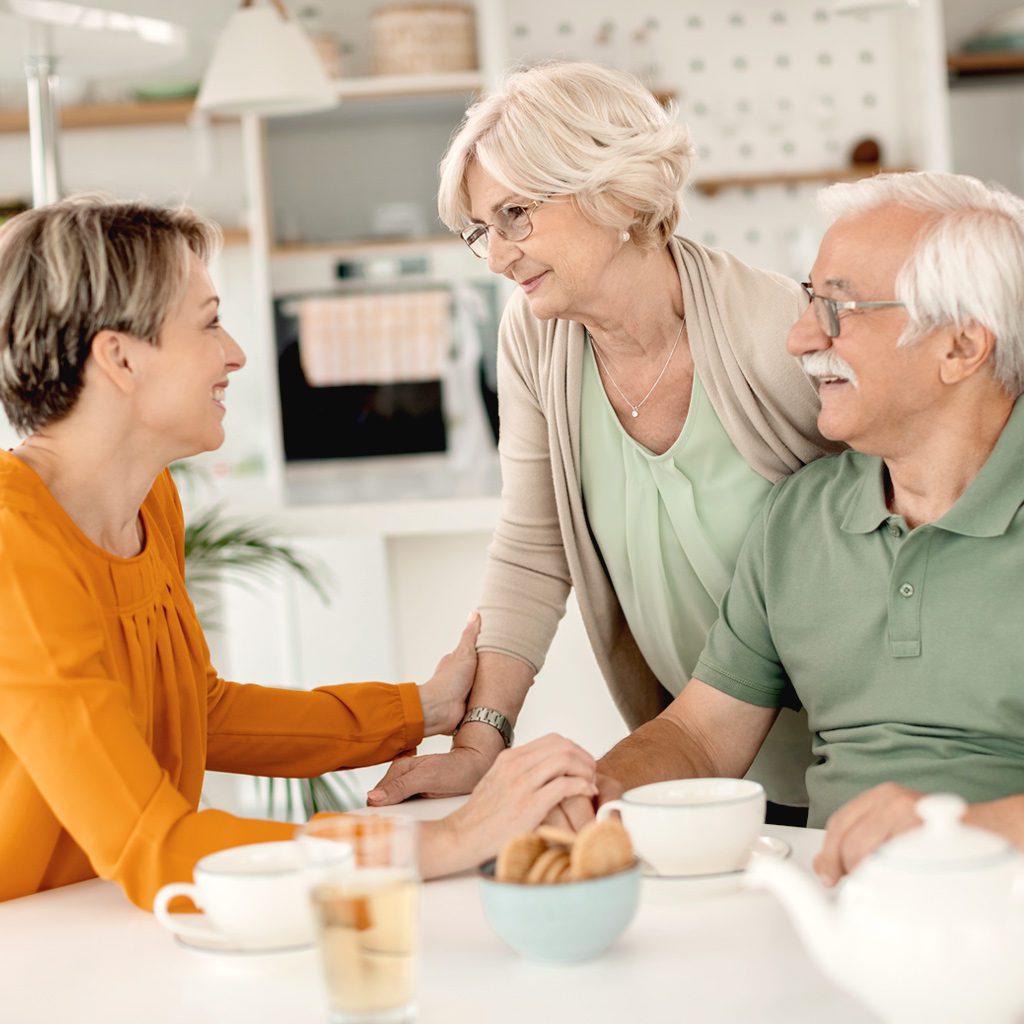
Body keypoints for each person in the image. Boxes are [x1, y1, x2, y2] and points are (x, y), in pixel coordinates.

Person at [0, 197, 599, 910]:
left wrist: (419, 711)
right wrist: (447, 839)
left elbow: (203, 712)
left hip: (94, 922)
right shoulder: (13, 541)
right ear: (120, 358)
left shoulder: (148, 503)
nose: (236, 354)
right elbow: (153, 846)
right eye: (210, 321)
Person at [368, 60, 839, 823]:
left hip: (842, 759)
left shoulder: (772, 331)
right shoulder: (536, 337)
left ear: (611, 189)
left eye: (515, 214)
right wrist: (481, 741)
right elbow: (532, 544)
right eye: (480, 230)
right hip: (691, 764)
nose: (494, 254)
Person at [590, 170, 1024, 882]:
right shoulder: (801, 514)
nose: (798, 339)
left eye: (838, 310)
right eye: (806, 302)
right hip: (835, 912)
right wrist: (593, 791)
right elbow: (701, 735)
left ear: (960, 347)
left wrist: (965, 832)